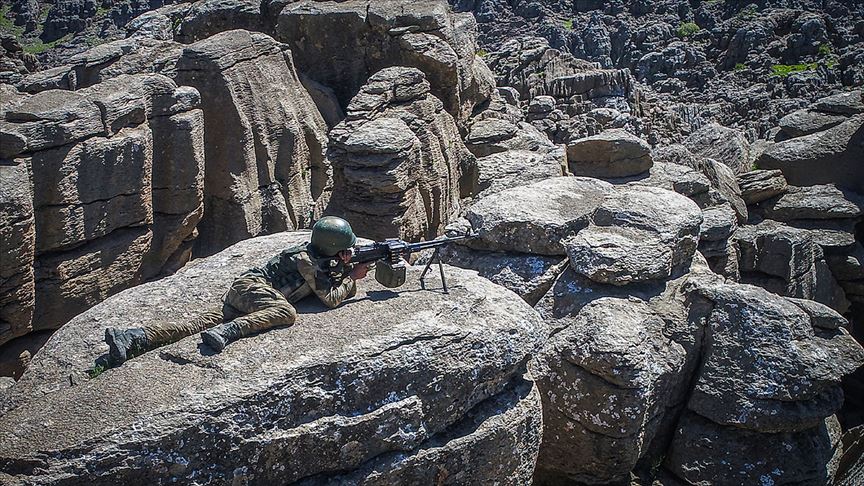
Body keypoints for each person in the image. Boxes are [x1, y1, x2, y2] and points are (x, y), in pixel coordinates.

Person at [104, 216, 369, 365]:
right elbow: (331, 299)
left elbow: (331, 286)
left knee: (191, 326)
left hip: (249, 296)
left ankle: (133, 338)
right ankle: (228, 331)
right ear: (333, 247)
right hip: (253, 289)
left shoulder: (319, 257)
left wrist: (345, 272)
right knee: (285, 312)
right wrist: (353, 276)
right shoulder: (306, 261)